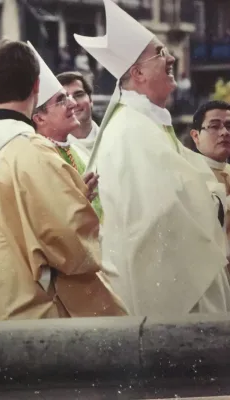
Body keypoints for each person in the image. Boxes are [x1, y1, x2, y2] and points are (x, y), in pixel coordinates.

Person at [0, 39, 127, 323]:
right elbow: (72, 247)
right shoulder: (38, 154)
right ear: (36, 87)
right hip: (21, 316)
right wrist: (78, 205)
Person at [75, 0, 230, 316]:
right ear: (138, 73)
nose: (171, 56)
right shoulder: (132, 129)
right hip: (160, 288)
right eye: (161, 54)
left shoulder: (144, 121)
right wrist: (214, 199)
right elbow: (160, 214)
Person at [27, 41, 103, 222]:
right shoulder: (35, 157)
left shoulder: (76, 154)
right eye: (62, 100)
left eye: (76, 96)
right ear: (39, 118)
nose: (73, 104)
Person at [189, 101, 230, 257]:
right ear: (196, 135)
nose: (225, 132)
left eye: (229, 126)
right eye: (214, 126)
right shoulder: (187, 174)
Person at [56, 71, 99, 158]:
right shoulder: (53, 151)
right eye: (64, 99)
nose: (73, 103)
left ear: (91, 100)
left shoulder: (114, 138)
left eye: (79, 95)